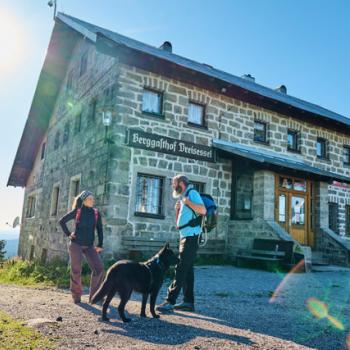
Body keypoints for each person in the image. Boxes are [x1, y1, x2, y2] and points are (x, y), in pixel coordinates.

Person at [156, 174, 206, 312]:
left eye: (174, 183)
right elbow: (180, 223)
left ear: (181, 184)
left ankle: (169, 301)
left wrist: (188, 202)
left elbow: (203, 210)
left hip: (191, 237)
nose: (172, 186)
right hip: (185, 236)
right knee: (187, 270)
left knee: (181, 268)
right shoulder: (184, 196)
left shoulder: (192, 193)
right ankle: (188, 302)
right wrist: (178, 210)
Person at [59, 190, 104, 304]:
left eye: (93, 199)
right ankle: (76, 296)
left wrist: (100, 245)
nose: (92, 201)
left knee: (99, 268)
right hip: (76, 244)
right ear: (84, 201)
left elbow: (99, 229)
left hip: (89, 246)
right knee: (76, 270)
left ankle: (95, 296)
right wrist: (69, 234)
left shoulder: (96, 213)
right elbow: (62, 221)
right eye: (90, 199)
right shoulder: (77, 211)